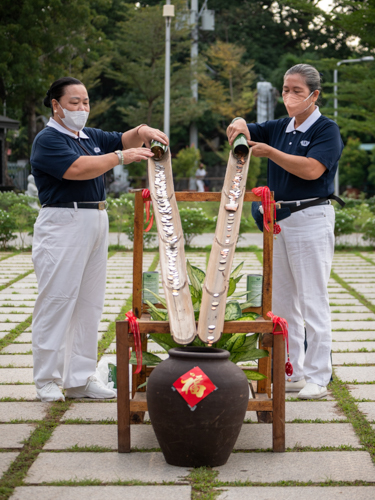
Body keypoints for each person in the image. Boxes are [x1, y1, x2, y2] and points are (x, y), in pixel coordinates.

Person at [31, 77, 168, 402]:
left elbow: (125, 136)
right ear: (56, 105)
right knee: (57, 301)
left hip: (95, 219)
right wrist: (121, 157)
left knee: (89, 304)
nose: (81, 108)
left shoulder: (88, 136)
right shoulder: (48, 139)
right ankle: (47, 379)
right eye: (74, 102)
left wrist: (144, 130)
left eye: (85, 102)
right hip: (63, 221)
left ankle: (80, 379)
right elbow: (78, 169)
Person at [227, 64, 344, 400]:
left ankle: (320, 375)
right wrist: (238, 124)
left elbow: (312, 169)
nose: (289, 96)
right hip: (276, 221)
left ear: (314, 94)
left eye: (297, 91)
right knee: (282, 302)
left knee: (312, 299)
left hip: (310, 216)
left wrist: (271, 153)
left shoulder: (326, 129)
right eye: (285, 90)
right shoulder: (281, 126)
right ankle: (292, 370)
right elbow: (246, 130)